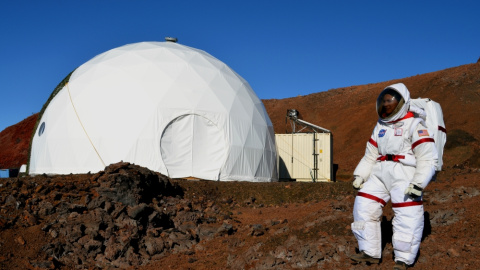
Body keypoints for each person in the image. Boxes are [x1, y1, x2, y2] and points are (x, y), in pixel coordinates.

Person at [349, 83, 438, 270]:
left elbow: (427, 157)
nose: (386, 106)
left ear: (401, 103)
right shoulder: (380, 126)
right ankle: (369, 251)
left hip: (404, 172)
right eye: (384, 103)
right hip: (380, 172)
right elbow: (371, 154)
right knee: (363, 206)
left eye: (390, 103)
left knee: (407, 214)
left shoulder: (415, 125)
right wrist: (360, 175)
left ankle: (403, 258)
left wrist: (418, 183)